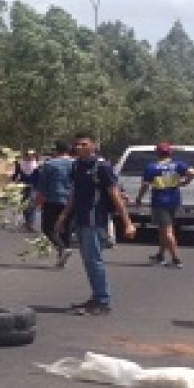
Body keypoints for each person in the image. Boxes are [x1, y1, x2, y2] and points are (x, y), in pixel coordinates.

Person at [54, 133, 137, 316]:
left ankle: (102, 300)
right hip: (81, 219)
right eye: (76, 145)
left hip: (95, 219)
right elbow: (74, 194)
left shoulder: (102, 167)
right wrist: (64, 216)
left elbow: (114, 194)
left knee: (94, 260)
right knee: (88, 261)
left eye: (84, 144)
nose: (79, 147)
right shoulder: (77, 166)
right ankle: (96, 296)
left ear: (93, 145)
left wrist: (127, 222)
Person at [133, 142, 194, 268]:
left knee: (167, 231)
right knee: (164, 229)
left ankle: (176, 259)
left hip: (159, 200)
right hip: (174, 200)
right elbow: (193, 172)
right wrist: (186, 181)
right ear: (170, 152)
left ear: (157, 153)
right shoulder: (177, 164)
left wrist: (139, 198)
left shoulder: (151, 167)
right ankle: (160, 255)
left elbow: (145, 185)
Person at [36, 140, 75, 268]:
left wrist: (38, 201)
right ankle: (62, 255)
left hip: (53, 199)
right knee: (66, 228)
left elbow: (43, 185)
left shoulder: (49, 164)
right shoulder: (75, 164)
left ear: (56, 150)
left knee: (47, 228)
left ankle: (61, 248)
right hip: (70, 200)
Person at [13, 150, 40, 231]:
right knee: (24, 204)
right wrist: (13, 181)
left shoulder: (38, 165)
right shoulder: (21, 164)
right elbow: (16, 174)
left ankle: (31, 223)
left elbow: (40, 176)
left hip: (34, 186)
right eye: (28, 155)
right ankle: (27, 221)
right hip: (23, 186)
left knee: (32, 204)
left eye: (32, 155)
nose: (30, 156)